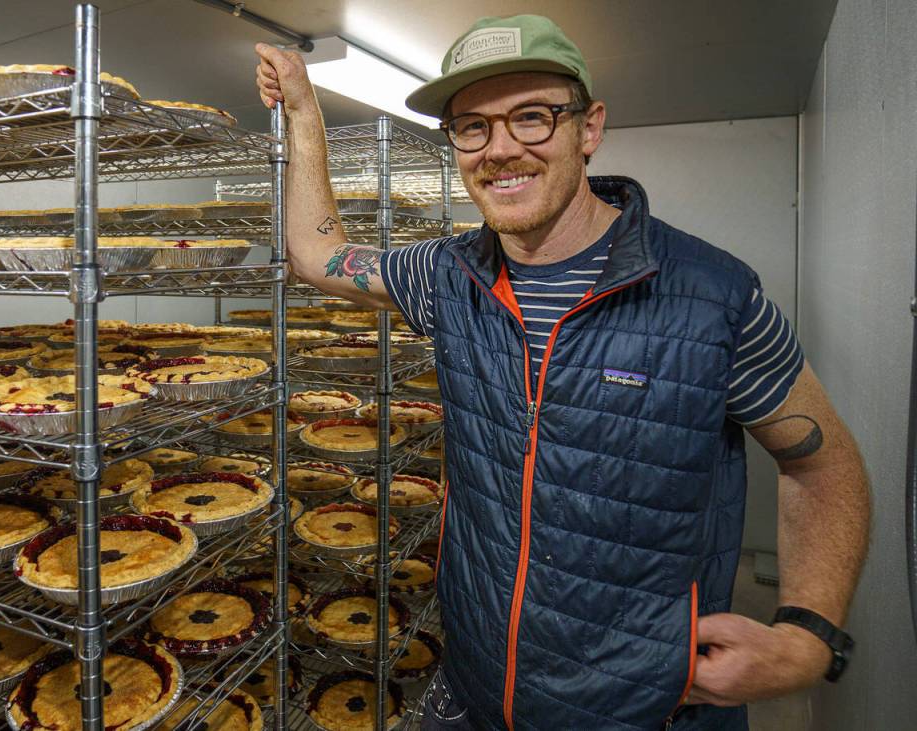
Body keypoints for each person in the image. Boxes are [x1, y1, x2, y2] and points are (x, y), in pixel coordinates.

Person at [256, 14, 870, 731]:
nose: (501, 149)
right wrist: (304, 108)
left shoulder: (712, 298)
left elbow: (825, 467)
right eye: (472, 126)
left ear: (590, 128)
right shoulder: (445, 277)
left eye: (533, 117)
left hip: (646, 711)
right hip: (476, 694)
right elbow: (315, 253)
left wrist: (808, 636)